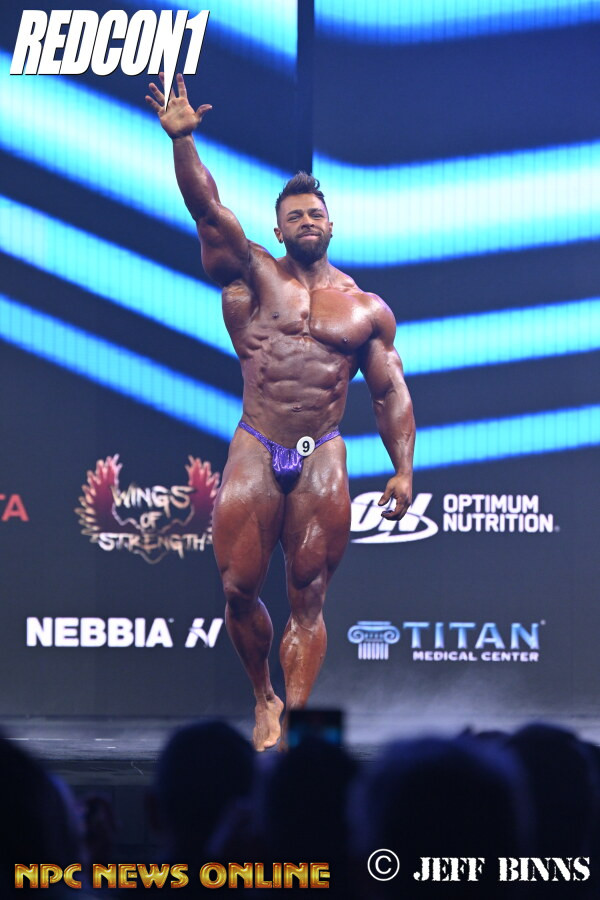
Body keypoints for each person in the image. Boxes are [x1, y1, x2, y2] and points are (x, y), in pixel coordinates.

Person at [146, 74, 415, 751]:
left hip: (322, 448)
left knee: (309, 591)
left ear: (331, 223)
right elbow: (208, 211)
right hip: (258, 439)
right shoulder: (255, 275)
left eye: (314, 214)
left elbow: (389, 392)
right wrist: (183, 143)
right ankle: (262, 695)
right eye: (294, 216)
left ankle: (296, 718)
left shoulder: (366, 309)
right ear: (278, 229)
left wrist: (403, 469)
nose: (306, 222)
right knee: (239, 588)